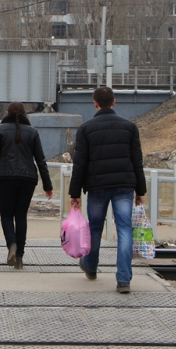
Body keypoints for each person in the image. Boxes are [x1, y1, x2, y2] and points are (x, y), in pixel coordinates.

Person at [68, 86, 146, 294]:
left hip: (97, 186)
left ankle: (91, 267)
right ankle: (123, 280)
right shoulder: (129, 128)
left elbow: (80, 164)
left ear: (95, 103)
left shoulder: (86, 129)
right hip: (124, 186)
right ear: (114, 102)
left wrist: (74, 193)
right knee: (124, 229)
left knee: (95, 228)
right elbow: (136, 161)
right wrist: (141, 189)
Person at [0, 101, 53, 270]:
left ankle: (12, 245)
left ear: (7, 113)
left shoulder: (0, 130)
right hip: (27, 178)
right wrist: (47, 185)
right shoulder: (33, 132)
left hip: (4, 177)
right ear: (24, 115)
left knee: (7, 215)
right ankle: (20, 257)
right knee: (21, 215)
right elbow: (40, 160)